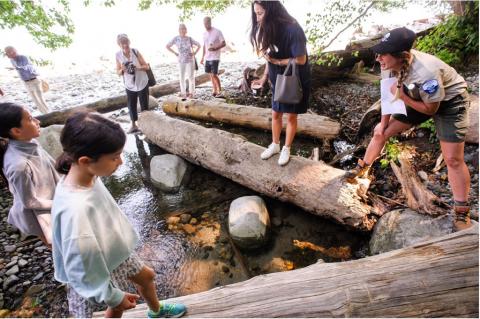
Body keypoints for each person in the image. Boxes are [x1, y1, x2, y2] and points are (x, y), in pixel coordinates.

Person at [51, 112, 187, 318]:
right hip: (94, 265)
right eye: (115, 157)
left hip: (112, 250)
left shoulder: (83, 172)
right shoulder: (76, 208)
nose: (121, 162)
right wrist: (112, 295)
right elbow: (81, 266)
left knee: (146, 276)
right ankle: (130, 306)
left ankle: (156, 311)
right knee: (116, 307)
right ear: (86, 160)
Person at [345, 27, 472, 230]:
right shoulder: (389, 64)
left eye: (383, 54)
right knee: (381, 132)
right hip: (415, 96)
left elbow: (430, 109)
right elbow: (388, 96)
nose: (378, 58)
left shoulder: (426, 73)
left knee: (453, 159)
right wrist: (383, 124)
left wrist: (402, 96)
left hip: (449, 102)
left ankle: (461, 211)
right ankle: (362, 170)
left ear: (402, 56)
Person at [250, 0, 311, 166]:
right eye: (255, 13)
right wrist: (263, 78)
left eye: (260, 13)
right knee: (275, 113)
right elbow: (270, 58)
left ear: (272, 11)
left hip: (295, 77)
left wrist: (277, 62)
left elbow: (301, 59)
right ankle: (275, 145)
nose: (257, 18)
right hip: (278, 77)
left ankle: (287, 148)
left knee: (291, 115)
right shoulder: (267, 28)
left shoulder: (293, 29)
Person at [0, 102, 59, 246]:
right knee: (59, 249)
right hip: (39, 214)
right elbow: (30, 202)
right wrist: (62, 201)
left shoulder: (31, 143)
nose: (38, 121)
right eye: (31, 119)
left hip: (52, 201)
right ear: (16, 131)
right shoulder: (19, 165)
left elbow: (51, 166)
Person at [115, 34, 150, 134]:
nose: (125, 45)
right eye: (122, 43)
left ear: (129, 42)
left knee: (144, 104)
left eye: (126, 43)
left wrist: (137, 67)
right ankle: (134, 125)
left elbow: (146, 66)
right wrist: (122, 69)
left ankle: (145, 125)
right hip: (129, 84)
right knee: (131, 104)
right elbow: (117, 72)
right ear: (119, 45)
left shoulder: (135, 51)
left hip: (141, 81)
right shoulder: (118, 55)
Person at [4, 46, 50, 114]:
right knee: (35, 100)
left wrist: (17, 68)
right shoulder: (11, 60)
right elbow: (19, 71)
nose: (7, 55)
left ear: (13, 51)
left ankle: (48, 113)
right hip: (26, 82)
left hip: (34, 80)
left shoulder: (23, 57)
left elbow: (27, 67)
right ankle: (44, 114)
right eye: (7, 53)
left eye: (8, 53)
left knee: (41, 99)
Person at [166, 24, 201, 99]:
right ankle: (183, 93)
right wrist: (175, 53)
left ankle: (191, 93)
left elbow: (199, 45)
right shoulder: (176, 38)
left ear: (186, 30)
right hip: (181, 60)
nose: (183, 30)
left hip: (190, 60)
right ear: (179, 30)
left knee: (191, 77)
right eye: (181, 29)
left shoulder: (190, 39)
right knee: (182, 77)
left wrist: (194, 53)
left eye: (184, 29)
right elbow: (167, 46)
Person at [200, 17, 226, 97]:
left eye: (207, 23)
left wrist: (215, 48)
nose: (206, 25)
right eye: (204, 23)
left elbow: (223, 43)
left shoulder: (217, 32)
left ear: (210, 22)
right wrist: (202, 57)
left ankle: (219, 90)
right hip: (207, 57)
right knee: (211, 75)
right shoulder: (204, 34)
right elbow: (204, 46)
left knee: (214, 74)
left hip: (215, 57)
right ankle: (214, 89)